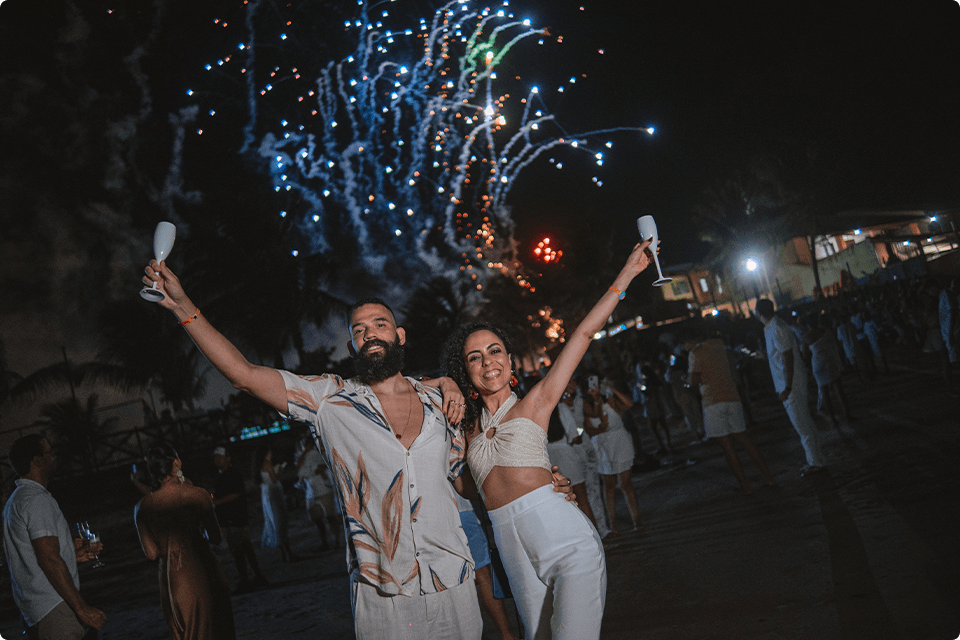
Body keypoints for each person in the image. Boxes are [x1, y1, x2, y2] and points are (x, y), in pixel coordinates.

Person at [140, 258, 579, 639]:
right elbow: (242, 373)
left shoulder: (438, 401)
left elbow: (466, 482)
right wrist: (183, 306)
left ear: (399, 336)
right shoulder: (329, 401)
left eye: (380, 324)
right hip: (381, 591)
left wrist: (537, 483)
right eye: (360, 329)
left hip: (454, 580)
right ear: (352, 345)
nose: (370, 333)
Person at [442, 240, 655, 640]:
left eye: (495, 350)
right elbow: (469, 489)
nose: (488, 360)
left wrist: (627, 273)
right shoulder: (464, 430)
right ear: (464, 370)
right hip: (512, 548)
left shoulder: (535, 403)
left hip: (565, 539)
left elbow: (585, 334)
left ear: (508, 359)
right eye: (475, 357)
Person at [2, 434, 106, 639]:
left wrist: (72, 556)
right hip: (53, 605)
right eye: (50, 452)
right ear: (37, 461)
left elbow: (32, 554)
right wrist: (82, 608)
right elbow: (48, 559)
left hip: (34, 607)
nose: (54, 458)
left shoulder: (16, 500)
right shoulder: (37, 500)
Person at [134, 443, 236, 640]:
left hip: (173, 579)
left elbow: (151, 553)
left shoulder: (142, 507)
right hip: (203, 569)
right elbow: (216, 537)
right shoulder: (197, 494)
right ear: (176, 463)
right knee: (218, 629)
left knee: (187, 633)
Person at [681, 328, 777, 494]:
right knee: (745, 440)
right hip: (732, 396)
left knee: (728, 447)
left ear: (690, 340)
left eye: (685, 343)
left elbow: (694, 381)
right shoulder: (719, 345)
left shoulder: (695, 353)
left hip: (713, 401)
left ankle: (745, 485)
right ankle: (769, 477)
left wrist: (687, 381)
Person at [756, 299, 826, 476]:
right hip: (788, 381)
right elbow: (780, 355)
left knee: (801, 424)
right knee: (805, 421)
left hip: (791, 382)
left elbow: (788, 357)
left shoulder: (778, 327)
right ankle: (817, 458)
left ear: (758, 313)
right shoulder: (772, 327)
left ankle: (815, 462)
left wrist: (787, 387)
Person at [582, 377, 645, 532]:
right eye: (591, 387)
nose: (594, 389)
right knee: (609, 485)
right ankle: (613, 522)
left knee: (626, 483)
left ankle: (636, 519)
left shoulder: (610, 401)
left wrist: (611, 388)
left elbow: (629, 404)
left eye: (596, 386)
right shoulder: (587, 408)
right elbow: (589, 429)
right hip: (602, 446)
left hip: (620, 441)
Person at [211, 446, 268, 593]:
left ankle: (245, 580)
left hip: (234, 517)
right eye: (216, 458)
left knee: (238, 550)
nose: (217, 460)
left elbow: (237, 494)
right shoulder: (222, 475)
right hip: (232, 517)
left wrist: (218, 502)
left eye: (220, 457)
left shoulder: (232, 474)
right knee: (245, 548)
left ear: (227, 458)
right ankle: (257, 576)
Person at [556, 379, 608, 538]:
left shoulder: (579, 402)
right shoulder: (557, 407)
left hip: (584, 448)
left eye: (573, 381)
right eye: (568, 382)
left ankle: (602, 528)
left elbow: (594, 414)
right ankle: (587, 533)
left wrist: (597, 398)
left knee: (593, 488)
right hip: (568, 450)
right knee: (576, 494)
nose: (571, 385)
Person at [545, 405, 597, 528]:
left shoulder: (532, 409)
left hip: (547, 458)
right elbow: (575, 437)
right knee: (582, 501)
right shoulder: (560, 407)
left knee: (563, 505)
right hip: (566, 455)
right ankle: (595, 540)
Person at [802, 314, 852, 426]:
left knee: (825, 393)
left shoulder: (807, 337)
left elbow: (805, 355)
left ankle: (833, 420)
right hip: (831, 360)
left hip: (818, 363)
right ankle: (847, 414)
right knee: (839, 389)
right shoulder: (826, 331)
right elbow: (835, 345)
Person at [255, 445, 300, 562]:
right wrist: (280, 470)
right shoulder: (267, 463)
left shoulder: (261, 465)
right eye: (269, 453)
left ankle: (285, 553)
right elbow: (274, 479)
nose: (271, 455)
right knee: (279, 521)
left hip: (270, 493)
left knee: (277, 521)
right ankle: (287, 553)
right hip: (274, 494)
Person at [295, 435, 341, 551]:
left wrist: (315, 471)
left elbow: (322, 466)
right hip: (311, 490)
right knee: (316, 518)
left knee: (330, 516)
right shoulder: (301, 456)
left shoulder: (318, 453)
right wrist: (305, 453)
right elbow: (298, 467)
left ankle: (337, 540)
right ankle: (325, 542)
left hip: (323, 488)